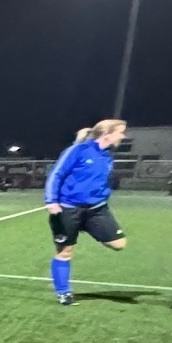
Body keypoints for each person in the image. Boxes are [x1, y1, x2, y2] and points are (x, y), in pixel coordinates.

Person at [43, 119, 128, 306]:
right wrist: (51, 201)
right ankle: (64, 293)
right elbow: (56, 174)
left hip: (97, 209)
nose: (123, 136)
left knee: (119, 244)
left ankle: (85, 227)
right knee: (65, 252)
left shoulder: (107, 155)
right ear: (106, 133)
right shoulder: (77, 150)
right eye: (120, 132)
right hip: (68, 209)